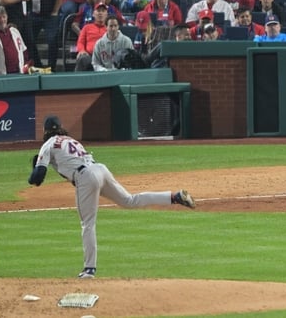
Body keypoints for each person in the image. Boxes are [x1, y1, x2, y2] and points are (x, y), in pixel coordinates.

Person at [27, 115, 194, 279]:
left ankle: (89, 269)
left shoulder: (47, 145)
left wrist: (34, 170)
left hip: (86, 177)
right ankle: (174, 196)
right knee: (130, 200)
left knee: (87, 224)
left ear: (45, 130)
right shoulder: (71, 140)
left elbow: (37, 178)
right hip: (100, 169)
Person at [0, 6, 34, 75]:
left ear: (7, 17)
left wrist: (25, 65)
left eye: (4, 17)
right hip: (2, 76)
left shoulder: (15, 31)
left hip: (19, 73)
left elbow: (24, 50)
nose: (2, 20)